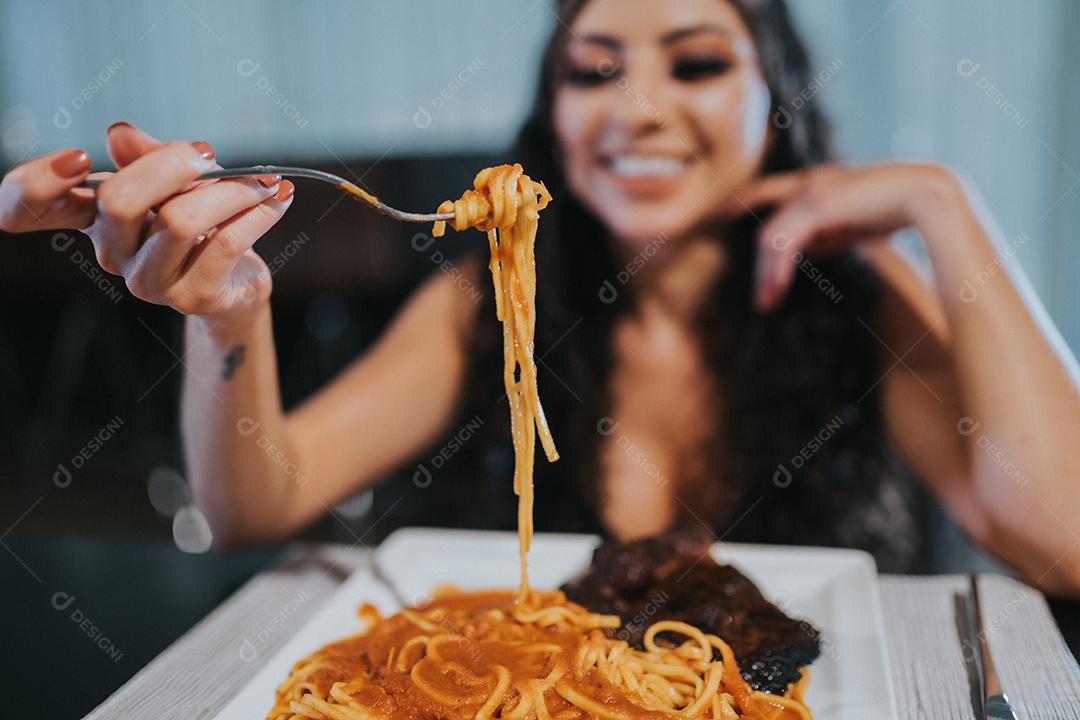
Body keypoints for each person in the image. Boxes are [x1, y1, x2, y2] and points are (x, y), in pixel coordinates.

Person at [2, 0, 1079, 591]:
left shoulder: (860, 296)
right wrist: (231, 309)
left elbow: (1062, 544)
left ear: (777, 100)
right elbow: (254, 508)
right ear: (553, 118)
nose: (639, 108)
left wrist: (948, 205)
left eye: (697, 64)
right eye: (595, 70)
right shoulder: (487, 299)